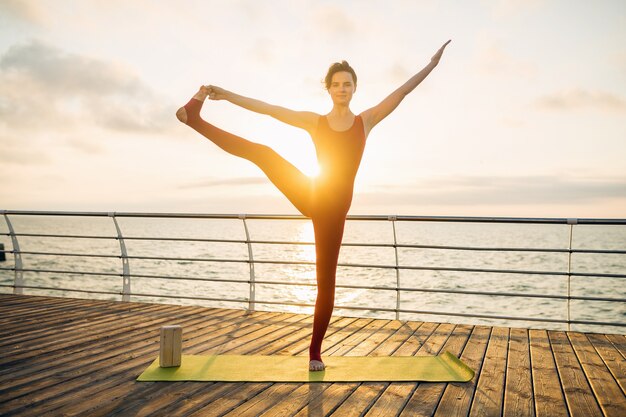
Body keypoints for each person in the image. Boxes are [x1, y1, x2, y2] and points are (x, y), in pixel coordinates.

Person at [176, 40, 451, 371]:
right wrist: (228, 95)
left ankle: (314, 352)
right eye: (336, 84)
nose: (342, 89)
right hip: (311, 193)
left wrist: (431, 65)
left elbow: (401, 92)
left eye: (347, 84)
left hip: (333, 213)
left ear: (354, 88)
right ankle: (194, 118)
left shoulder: (366, 121)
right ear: (329, 89)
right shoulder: (315, 122)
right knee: (263, 153)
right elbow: (268, 108)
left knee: (326, 281)